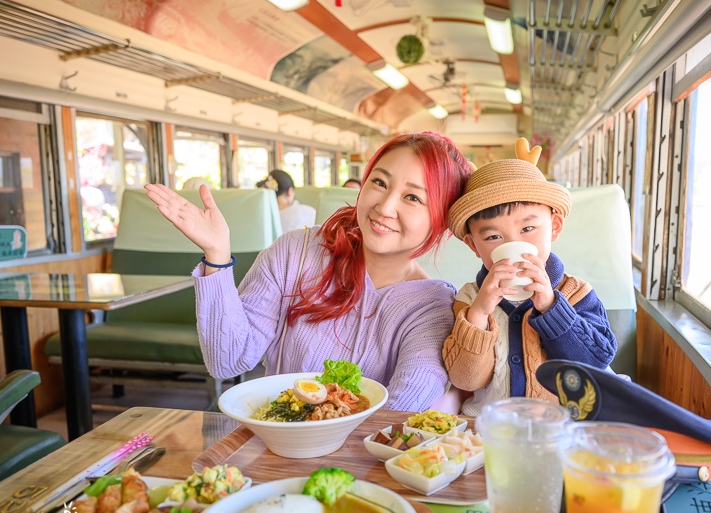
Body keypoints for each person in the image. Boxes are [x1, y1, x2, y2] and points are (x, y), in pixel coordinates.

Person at [145, 132, 472, 411]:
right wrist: (217, 255)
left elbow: (400, 411)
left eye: (413, 197)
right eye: (379, 182)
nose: (385, 207)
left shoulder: (432, 308)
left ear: (441, 219)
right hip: (273, 444)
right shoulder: (295, 252)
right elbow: (227, 361)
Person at [441, 138, 617, 416]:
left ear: (555, 227)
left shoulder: (576, 293)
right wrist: (479, 313)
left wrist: (550, 307)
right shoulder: (468, 299)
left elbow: (597, 361)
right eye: (493, 236)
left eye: (528, 228)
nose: (512, 243)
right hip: (489, 428)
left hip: (559, 430)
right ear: (473, 245)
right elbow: (465, 379)